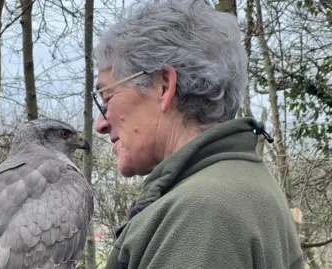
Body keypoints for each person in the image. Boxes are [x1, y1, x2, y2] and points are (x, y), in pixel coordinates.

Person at [91, 0, 304, 268]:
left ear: (164, 86)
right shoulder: (241, 179)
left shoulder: (200, 213)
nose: (100, 123)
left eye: (107, 96)